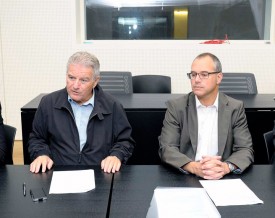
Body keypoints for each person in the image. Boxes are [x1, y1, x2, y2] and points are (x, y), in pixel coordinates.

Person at [28, 51, 135, 174]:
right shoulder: (48, 103)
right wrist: (41, 154)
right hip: (59, 172)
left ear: (95, 82)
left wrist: (116, 155)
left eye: (83, 80)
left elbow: (125, 140)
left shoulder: (112, 106)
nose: (75, 85)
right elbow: (36, 138)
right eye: (71, 78)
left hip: (99, 173)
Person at [159, 52, 254, 180]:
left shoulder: (234, 108)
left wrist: (225, 167)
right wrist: (194, 167)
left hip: (222, 176)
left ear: (219, 77)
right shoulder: (176, 107)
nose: (196, 80)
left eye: (204, 74)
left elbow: (245, 149)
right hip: (187, 176)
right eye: (193, 74)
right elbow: (167, 148)